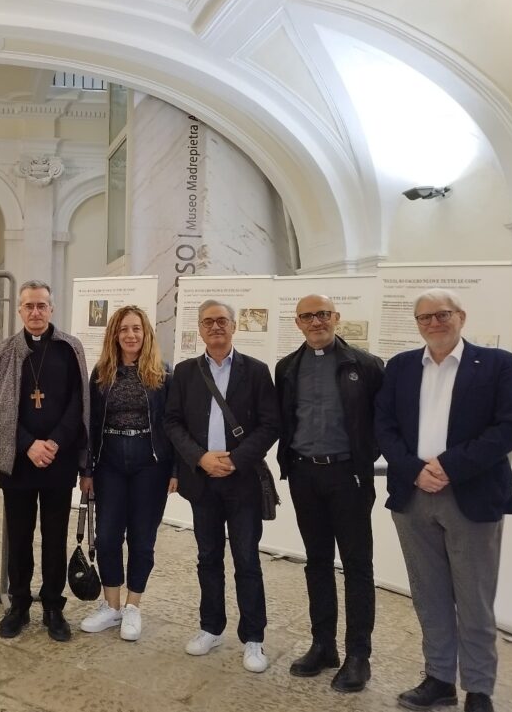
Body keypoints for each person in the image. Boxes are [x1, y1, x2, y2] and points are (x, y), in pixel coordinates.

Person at [375, 289, 512, 712]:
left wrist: (447, 467)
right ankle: (439, 679)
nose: (433, 323)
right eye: (424, 317)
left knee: (474, 598)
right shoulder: (401, 366)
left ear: (461, 316)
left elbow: (509, 428)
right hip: (414, 495)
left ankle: (479, 689)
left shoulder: (497, 364)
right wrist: (414, 469)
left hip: (471, 495)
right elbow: (384, 425)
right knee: (429, 595)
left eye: (442, 314)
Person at [0, 279, 89, 642]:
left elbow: (79, 403)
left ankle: (53, 606)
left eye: (41, 305)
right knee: (19, 537)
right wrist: (28, 445)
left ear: (51, 308)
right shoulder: (5, 350)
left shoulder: (70, 348)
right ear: (20, 310)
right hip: (18, 461)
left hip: (59, 460)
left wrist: (54, 442)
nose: (35, 312)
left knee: (54, 536)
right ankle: (19, 605)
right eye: (29, 306)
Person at [275, 295, 384, 692]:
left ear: (336, 317)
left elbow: (381, 422)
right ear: (298, 323)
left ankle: (358, 656)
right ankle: (323, 645)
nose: (316, 321)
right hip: (305, 475)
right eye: (307, 316)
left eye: (322, 314)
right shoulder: (287, 368)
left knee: (357, 565)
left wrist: (363, 460)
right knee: (317, 562)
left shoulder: (365, 365)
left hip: (348, 477)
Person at [165, 299, 279, 673]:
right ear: (199, 329)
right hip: (202, 483)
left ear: (234, 326)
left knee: (247, 559)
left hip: (242, 482)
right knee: (208, 557)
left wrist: (236, 459)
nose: (215, 327)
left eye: (222, 321)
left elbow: (270, 424)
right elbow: (172, 422)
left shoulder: (256, 371)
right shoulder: (186, 372)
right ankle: (211, 627)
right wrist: (200, 458)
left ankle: (254, 638)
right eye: (208, 321)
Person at [78, 305, 175, 642]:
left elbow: (173, 424)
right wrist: (87, 469)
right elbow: (91, 425)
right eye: (123, 330)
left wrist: (175, 470)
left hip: (151, 462)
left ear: (146, 333)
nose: (130, 335)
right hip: (110, 462)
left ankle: (133, 606)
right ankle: (112, 606)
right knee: (107, 536)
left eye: (136, 329)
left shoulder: (163, 373)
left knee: (142, 538)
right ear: (114, 335)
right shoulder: (102, 372)